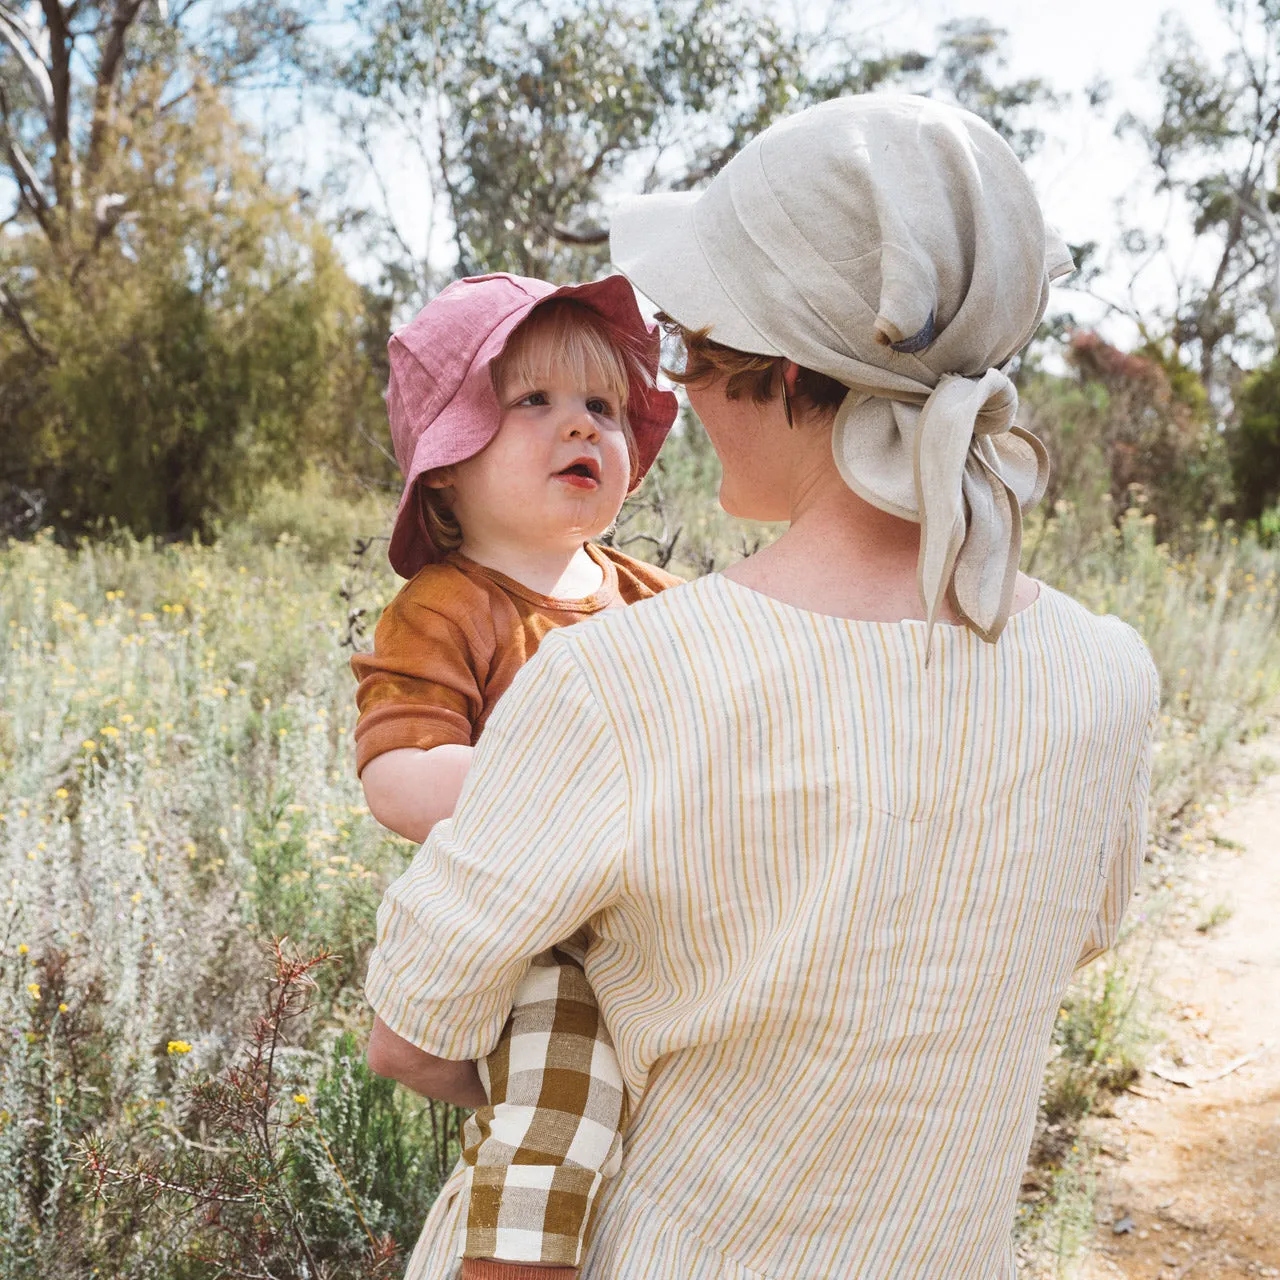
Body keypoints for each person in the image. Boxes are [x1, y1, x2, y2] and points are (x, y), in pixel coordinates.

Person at [365, 95, 1160, 1280]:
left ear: (777, 369)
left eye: (684, 352)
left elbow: (411, 1040)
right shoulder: (1107, 675)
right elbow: (1060, 940)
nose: (672, 397)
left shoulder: (620, 684)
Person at [353, 272, 679, 1278]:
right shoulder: (448, 606)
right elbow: (398, 773)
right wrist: (557, 776)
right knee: (559, 1107)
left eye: (601, 406)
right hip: (533, 932)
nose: (579, 426)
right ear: (446, 468)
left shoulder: (650, 593)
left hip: (650, 909)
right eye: (531, 401)